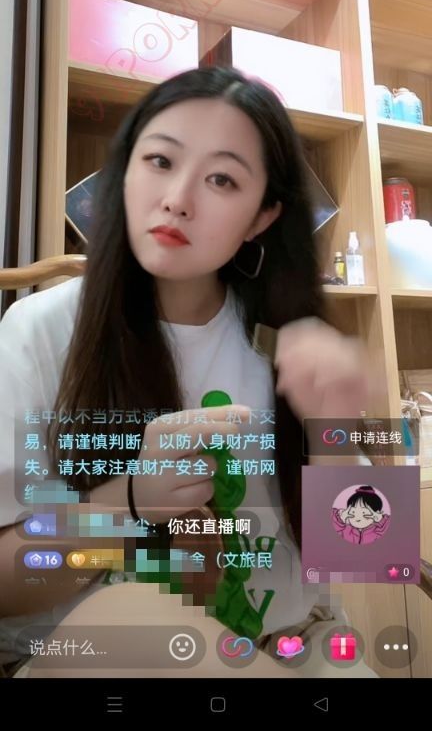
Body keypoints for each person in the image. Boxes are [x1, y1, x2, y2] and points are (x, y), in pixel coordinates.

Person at [0, 66, 375, 678]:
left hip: (286, 644)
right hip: (87, 655)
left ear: (262, 217)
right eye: (160, 160)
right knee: (131, 614)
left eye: (222, 178)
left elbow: (369, 557)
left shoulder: (288, 343)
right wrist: (125, 502)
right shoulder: (37, 331)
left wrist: (334, 432)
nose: (177, 198)